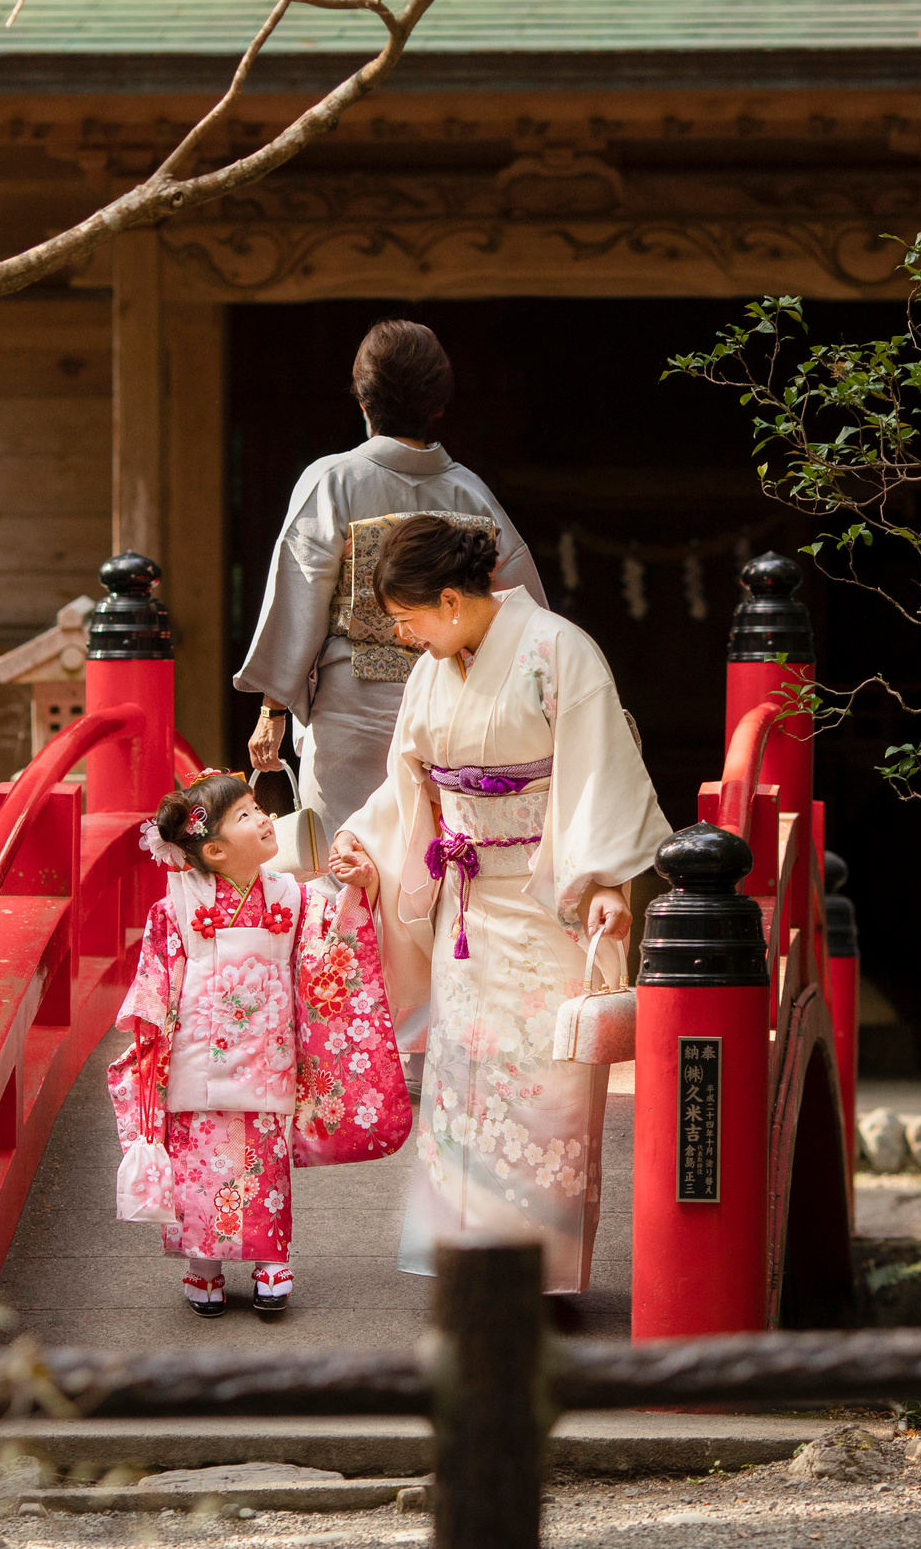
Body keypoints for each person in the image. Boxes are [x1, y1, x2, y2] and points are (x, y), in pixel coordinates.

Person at [331, 516, 670, 1295]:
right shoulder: (433, 670)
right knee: (462, 1079)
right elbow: (410, 785)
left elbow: (599, 783)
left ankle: (537, 1267)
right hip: (464, 904)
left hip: (545, 900)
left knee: (542, 1086)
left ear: (450, 600)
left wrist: (608, 888)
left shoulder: (560, 651)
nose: (406, 636)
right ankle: (471, 1260)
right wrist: (365, 844)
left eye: (410, 619)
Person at [237, 320, 547, 850]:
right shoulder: (471, 494)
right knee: (444, 867)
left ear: (363, 400)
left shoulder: (331, 481)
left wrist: (273, 710)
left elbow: (299, 595)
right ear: (439, 405)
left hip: (351, 714)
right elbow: (522, 614)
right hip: (453, 709)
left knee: (346, 870)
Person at [108, 770, 406, 1317]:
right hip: (196, 1060)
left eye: (258, 807)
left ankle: (271, 1257)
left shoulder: (290, 898)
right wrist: (151, 1046)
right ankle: (204, 1266)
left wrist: (357, 889)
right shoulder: (173, 908)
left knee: (264, 1165)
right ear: (215, 850)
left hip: (267, 1058)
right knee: (199, 1164)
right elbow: (156, 982)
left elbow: (328, 948)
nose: (265, 817)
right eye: (246, 815)